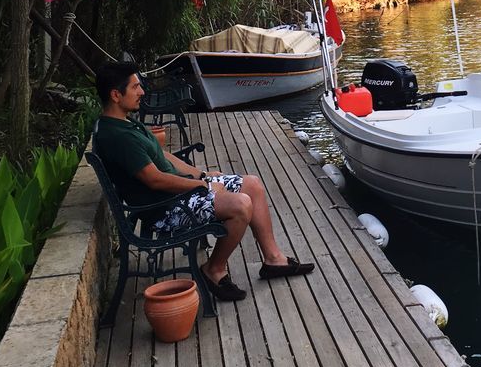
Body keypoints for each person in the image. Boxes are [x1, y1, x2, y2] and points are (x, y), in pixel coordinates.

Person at [92, 61, 315, 301]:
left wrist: (202, 175)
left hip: (177, 194)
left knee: (252, 184)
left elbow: (162, 156)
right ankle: (214, 269)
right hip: (165, 209)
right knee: (241, 206)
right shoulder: (118, 137)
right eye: (136, 87)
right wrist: (204, 187)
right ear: (116, 95)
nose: (142, 92)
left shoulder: (126, 122)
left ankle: (274, 260)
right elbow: (155, 180)